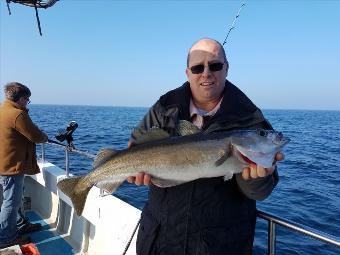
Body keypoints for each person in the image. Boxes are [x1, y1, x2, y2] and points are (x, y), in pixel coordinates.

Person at [127, 38, 284, 255]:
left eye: (215, 65)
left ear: (227, 68)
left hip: (220, 245)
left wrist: (258, 179)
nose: (206, 73)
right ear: (187, 73)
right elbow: (137, 141)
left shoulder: (250, 119)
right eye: (198, 67)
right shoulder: (164, 106)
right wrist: (133, 167)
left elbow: (260, 192)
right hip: (159, 239)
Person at [0, 82, 48, 249]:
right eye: (27, 99)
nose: (28, 102)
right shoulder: (17, 115)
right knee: (11, 202)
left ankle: (20, 224)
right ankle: (6, 238)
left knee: (14, 198)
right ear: (21, 99)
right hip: (11, 166)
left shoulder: (2, 110)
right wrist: (44, 136)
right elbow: (35, 136)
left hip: (3, 164)